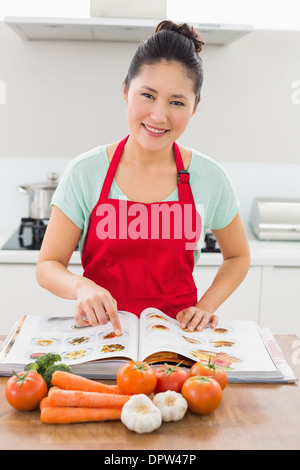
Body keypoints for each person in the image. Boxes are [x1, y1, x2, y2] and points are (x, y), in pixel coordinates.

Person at [36, 20, 250, 337]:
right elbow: (48, 265)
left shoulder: (209, 178)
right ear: (125, 90)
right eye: (148, 95)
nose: (158, 116)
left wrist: (205, 307)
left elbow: (238, 256)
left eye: (177, 102)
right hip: (102, 339)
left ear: (195, 107)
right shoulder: (86, 172)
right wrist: (81, 287)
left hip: (177, 343)